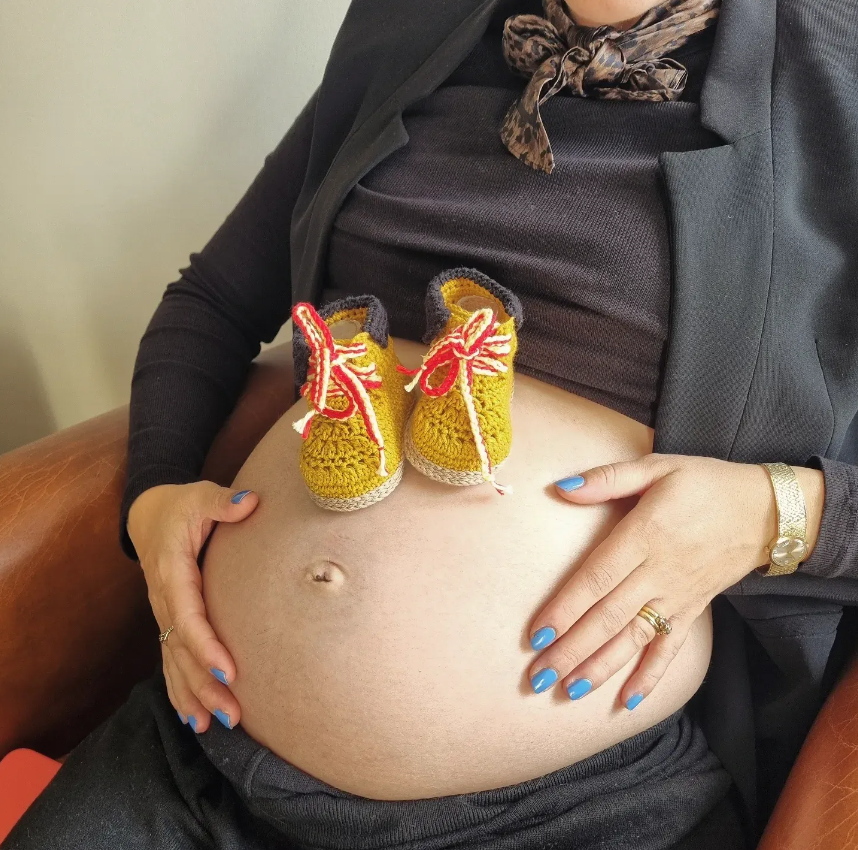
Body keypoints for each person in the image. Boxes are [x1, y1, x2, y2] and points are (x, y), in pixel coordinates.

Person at [7, 0, 858, 848]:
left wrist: (777, 515)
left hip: (571, 810)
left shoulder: (836, 62)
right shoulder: (408, 20)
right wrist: (152, 495)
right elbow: (214, 302)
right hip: (200, 754)